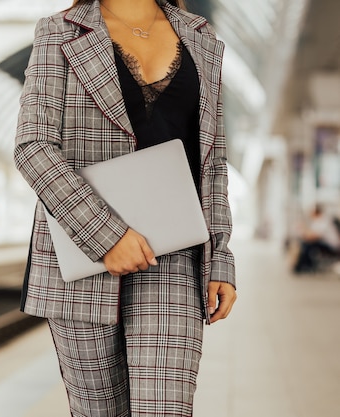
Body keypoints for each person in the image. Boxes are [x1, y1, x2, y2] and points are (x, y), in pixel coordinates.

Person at [14, 0, 237, 415]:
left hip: (175, 259)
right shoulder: (58, 32)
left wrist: (220, 256)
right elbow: (33, 147)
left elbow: (213, 163)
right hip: (80, 259)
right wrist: (108, 236)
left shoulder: (202, 38)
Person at [293, 205, 340, 273]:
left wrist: (303, 229)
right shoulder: (317, 221)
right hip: (323, 243)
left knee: (308, 244)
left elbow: (314, 236)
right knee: (305, 243)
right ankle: (304, 264)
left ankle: (303, 265)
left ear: (315, 212)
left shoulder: (324, 221)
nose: (309, 214)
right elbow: (310, 235)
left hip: (331, 246)